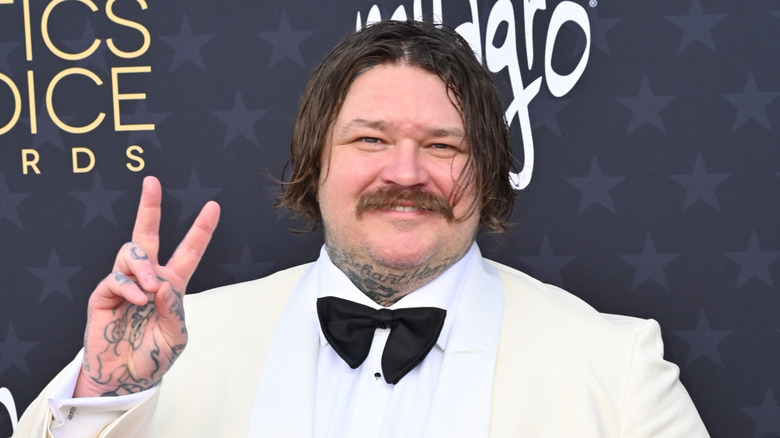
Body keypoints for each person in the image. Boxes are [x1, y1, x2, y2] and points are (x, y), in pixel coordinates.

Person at [15, 20, 709, 437]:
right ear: (315, 164)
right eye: (371, 141)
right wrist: (107, 397)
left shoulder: (616, 367)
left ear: (490, 173)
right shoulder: (174, 352)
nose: (405, 173)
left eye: (443, 146)